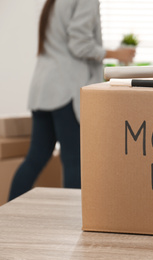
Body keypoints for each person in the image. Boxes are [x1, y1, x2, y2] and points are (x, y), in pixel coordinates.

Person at [8, 0, 135, 200]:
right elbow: (80, 44)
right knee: (74, 160)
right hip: (64, 90)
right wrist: (115, 54)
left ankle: (6, 217)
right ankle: (74, 224)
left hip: (43, 89)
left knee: (36, 158)